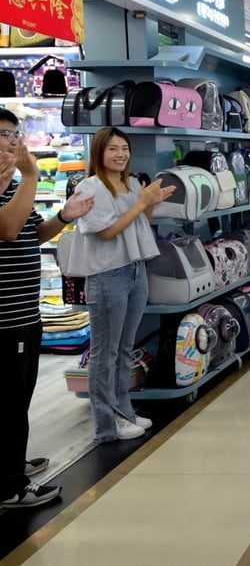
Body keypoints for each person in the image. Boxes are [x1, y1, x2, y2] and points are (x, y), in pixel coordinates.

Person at [0, 108, 92, 508]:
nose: (13, 141)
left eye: (14, 133)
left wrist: (64, 217)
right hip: (5, 321)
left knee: (17, 399)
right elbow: (6, 230)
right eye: (5, 134)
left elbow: (32, 232)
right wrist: (32, 176)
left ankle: (10, 464)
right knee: (7, 403)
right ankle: (8, 488)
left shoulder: (11, 189)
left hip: (25, 315)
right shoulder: (22, 183)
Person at [63, 127, 173, 444]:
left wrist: (149, 202)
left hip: (135, 269)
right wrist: (141, 203)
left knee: (125, 349)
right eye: (113, 148)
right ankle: (107, 424)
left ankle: (123, 410)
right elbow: (107, 232)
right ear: (99, 152)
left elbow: (141, 224)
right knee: (105, 353)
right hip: (107, 275)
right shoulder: (90, 187)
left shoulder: (130, 183)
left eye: (124, 148)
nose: (121, 154)